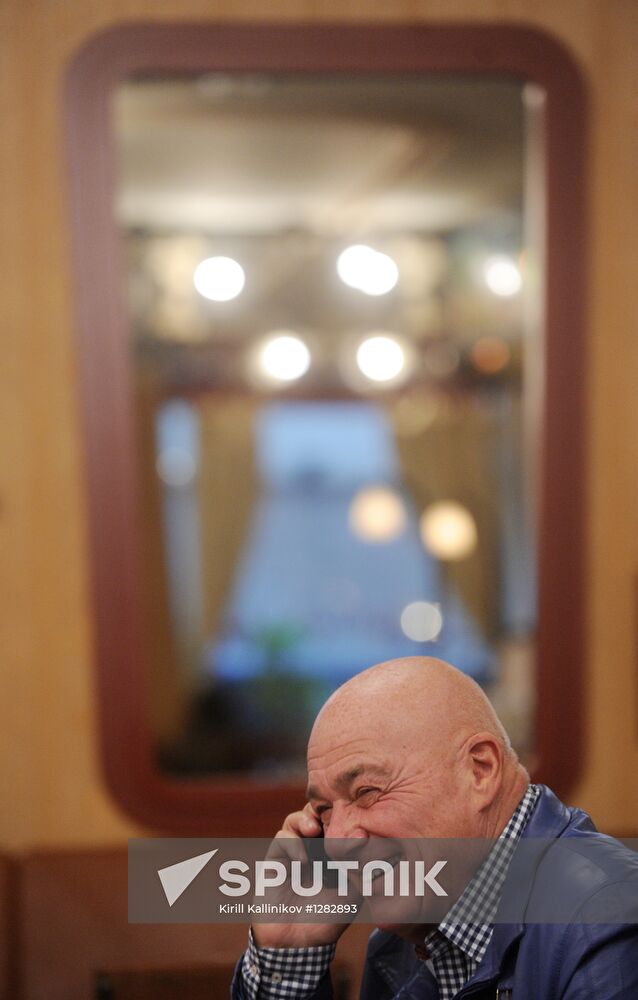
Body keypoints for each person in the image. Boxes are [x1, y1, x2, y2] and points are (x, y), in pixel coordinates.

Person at [231, 656, 638, 998]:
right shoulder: (408, 939)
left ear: (480, 770)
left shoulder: (605, 923)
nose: (336, 842)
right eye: (323, 811)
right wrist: (289, 960)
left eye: (367, 791)